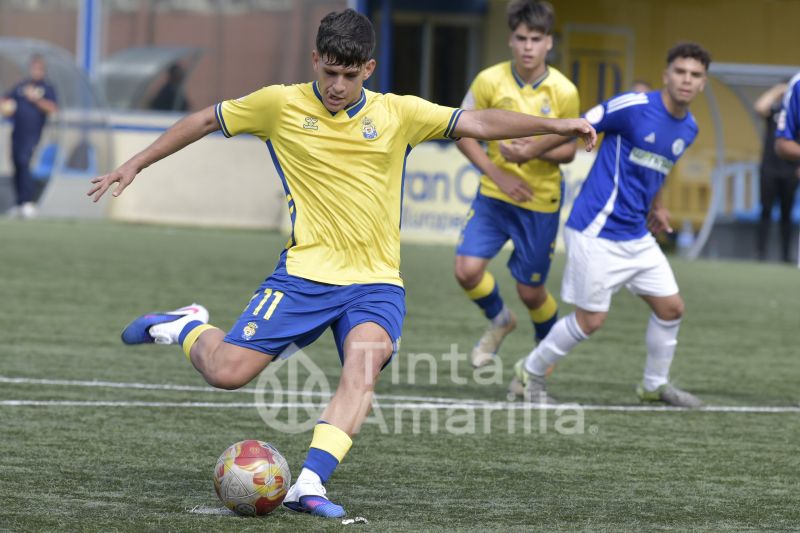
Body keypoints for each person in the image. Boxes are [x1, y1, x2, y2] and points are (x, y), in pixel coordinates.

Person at [88, 9, 596, 519]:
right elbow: (204, 119)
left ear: (368, 69)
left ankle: (308, 484)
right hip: (305, 274)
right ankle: (186, 327)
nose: (336, 85)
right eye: (329, 72)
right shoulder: (278, 104)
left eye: (349, 76)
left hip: (375, 282)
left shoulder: (399, 113)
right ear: (315, 60)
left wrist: (558, 124)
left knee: (363, 364)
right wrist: (134, 163)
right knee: (226, 373)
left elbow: (479, 122)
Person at [506, 42, 711, 408]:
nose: (686, 80)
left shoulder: (690, 128)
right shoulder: (633, 106)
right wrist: (528, 151)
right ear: (666, 75)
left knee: (671, 308)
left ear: (703, 84)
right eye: (680, 72)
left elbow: (658, 167)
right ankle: (530, 370)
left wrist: (658, 206)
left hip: (636, 233)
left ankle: (653, 385)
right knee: (591, 320)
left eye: (695, 75)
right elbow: (577, 125)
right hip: (596, 229)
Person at [453, 0, 579, 369]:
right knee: (466, 270)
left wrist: (534, 152)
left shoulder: (563, 91)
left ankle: (539, 363)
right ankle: (500, 320)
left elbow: (570, 149)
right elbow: (461, 133)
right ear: (511, 40)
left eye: (536, 39)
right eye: (521, 38)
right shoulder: (488, 80)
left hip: (539, 201)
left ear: (549, 43)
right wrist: (498, 174)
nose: (528, 46)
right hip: (494, 194)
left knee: (531, 291)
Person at [0, 54, 58, 218]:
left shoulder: (46, 88)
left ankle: (28, 202)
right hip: (17, 132)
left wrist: (36, 100)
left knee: (24, 162)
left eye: (38, 69)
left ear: (43, 71)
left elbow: (53, 108)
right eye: (33, 68)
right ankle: (19, 203)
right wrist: (5, 106)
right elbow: (6, 100)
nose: (35, 71)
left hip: (33, 133)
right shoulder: (21, 86)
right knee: (17, 164)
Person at [754, 82, 798, 263]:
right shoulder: (775, 110)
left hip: (790, 171)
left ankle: (785, 256)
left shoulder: (796, 114)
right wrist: (778, 89)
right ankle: (761, 254)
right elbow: (759, 108)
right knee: (765, 211)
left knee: (787, 215)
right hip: (769, 170)